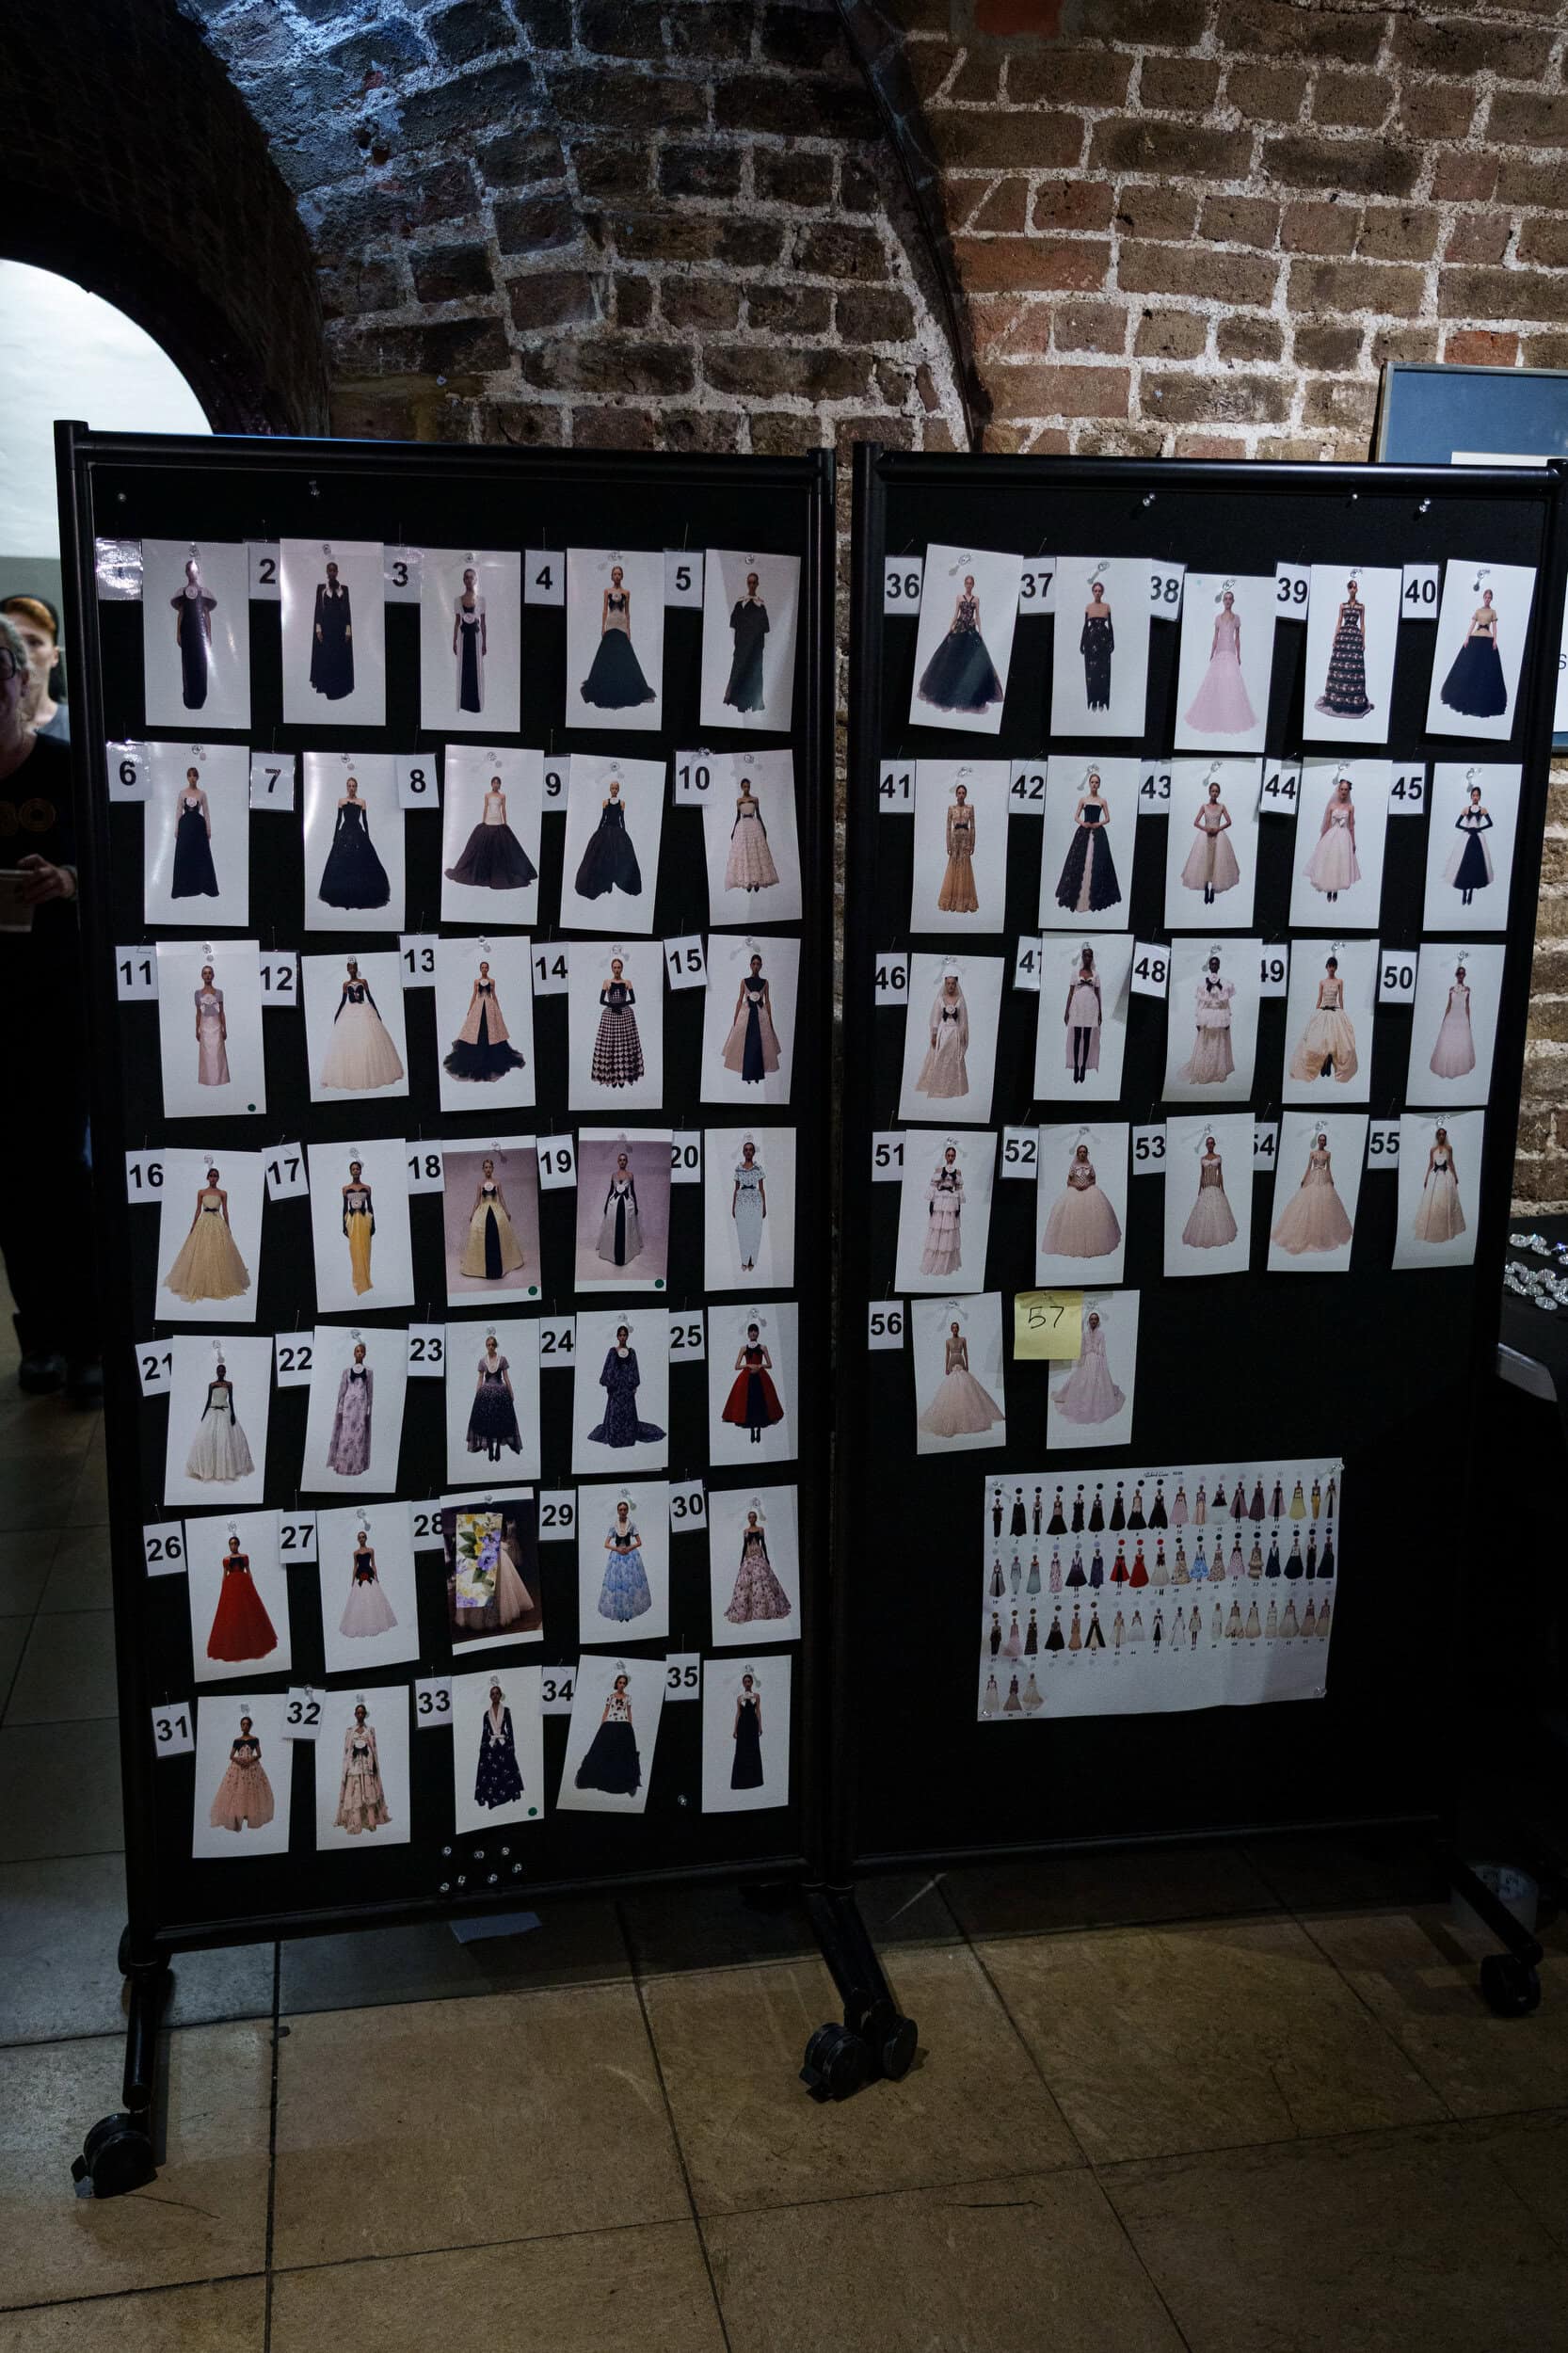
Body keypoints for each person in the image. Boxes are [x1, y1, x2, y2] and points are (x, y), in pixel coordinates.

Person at [0, 615, 98, 1400]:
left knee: (69, 1171)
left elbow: (119, 863)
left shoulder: (66, 767)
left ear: (21, 679)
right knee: (11, 1179)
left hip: (61, 999)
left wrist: (65, 878)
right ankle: (42, 1338)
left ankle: (92, 1338)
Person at [0, 595, 68, 742]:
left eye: (34, 642)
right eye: (13, 643)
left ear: (55, 656)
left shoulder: (81, 724)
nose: (22, 653)